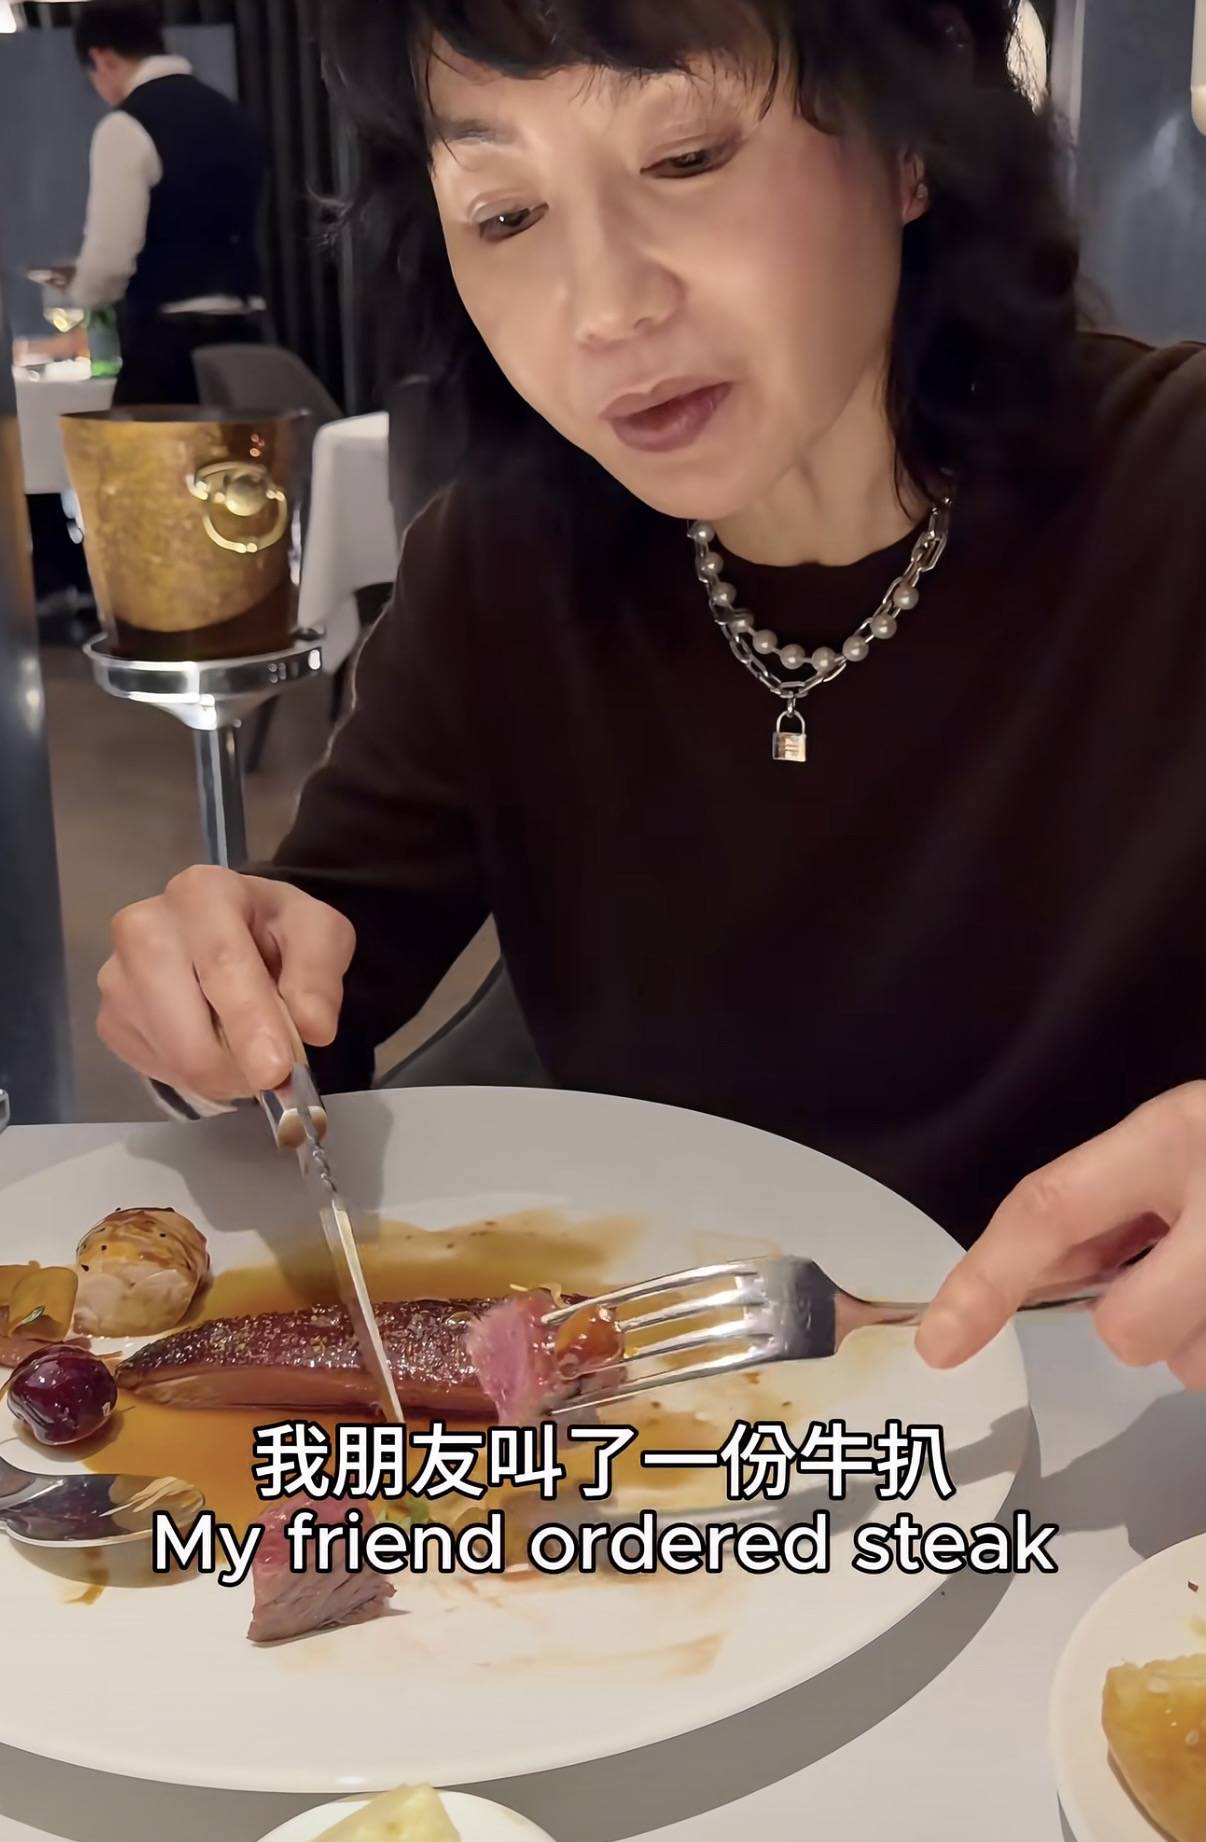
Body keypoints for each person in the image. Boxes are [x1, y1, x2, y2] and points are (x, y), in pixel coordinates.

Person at [98, 0, 1206, 1390]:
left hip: (1127, 1447)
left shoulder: (1173, 495)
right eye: (506, 213)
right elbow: (316, 978)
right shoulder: (502, 571)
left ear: (911, 135)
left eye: (686, 158)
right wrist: (215, 999)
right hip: (685, 1451)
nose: (605, 309)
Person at [54, 1, 266, 404]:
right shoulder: (233, 115)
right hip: (247, 344)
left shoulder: (126, 125)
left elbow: (110, 260)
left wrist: (81, 291)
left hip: (169, 352)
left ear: (102, 58)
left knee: (131, 448)